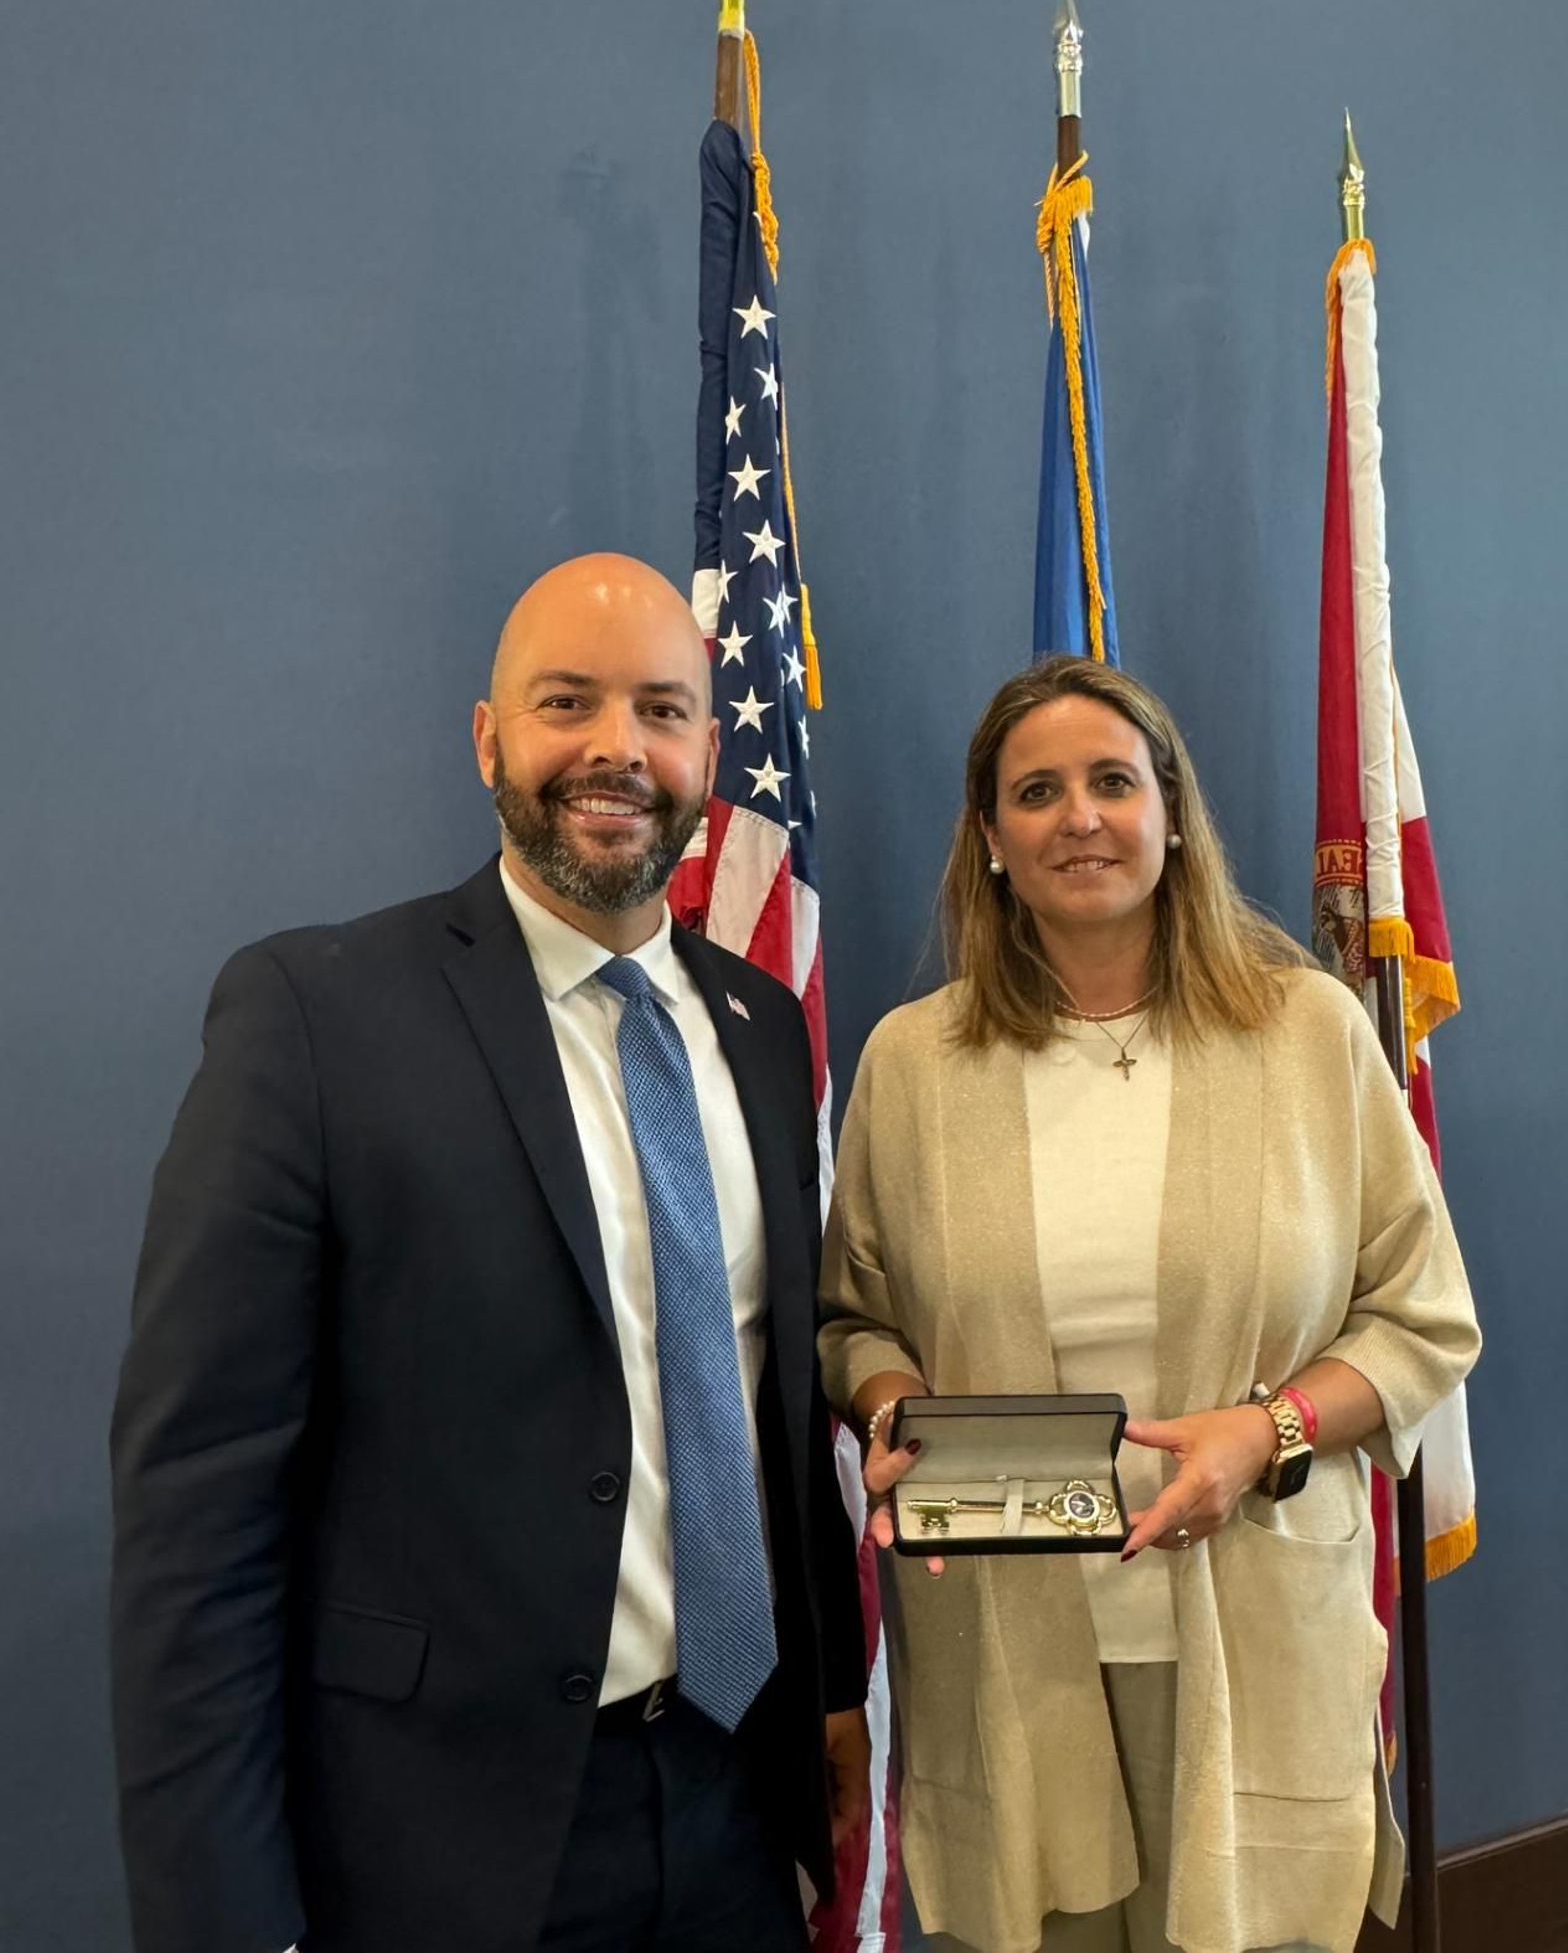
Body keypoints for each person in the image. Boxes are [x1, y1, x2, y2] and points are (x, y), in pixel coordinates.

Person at [111, 553, 869, 1953]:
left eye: (659, 709)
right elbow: (197, 1508)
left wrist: (829, 1684)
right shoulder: (317, 1018)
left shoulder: (764, 1030)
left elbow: (767, 1403)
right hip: (442, 1835)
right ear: (488, 739)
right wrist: (218, 1913)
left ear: (708, 745)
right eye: (566, 702)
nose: (616, 749)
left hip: (729, 1806)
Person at [818, 653, 1480, 1953]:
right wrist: (893, 1399)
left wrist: (1269, 1430)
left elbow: (1422, 1313)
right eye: (1038, 791)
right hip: (1014, 1644)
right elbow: (853, 1319)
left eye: (1114, 782)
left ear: (1172, 817)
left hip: (1254, 1622)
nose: (1080, 816)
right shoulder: (913, 1066)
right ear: (991, 840)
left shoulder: (1308, 1033)